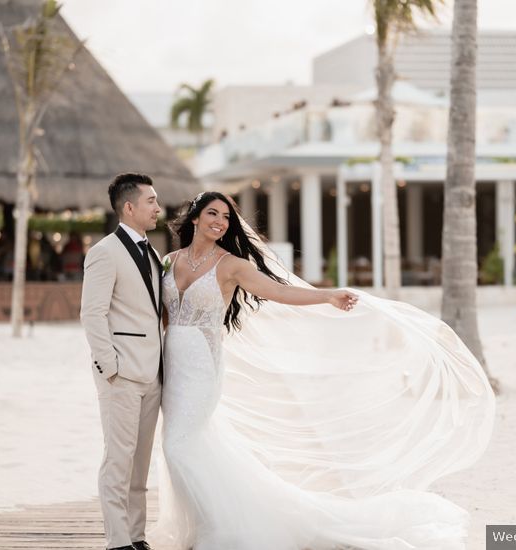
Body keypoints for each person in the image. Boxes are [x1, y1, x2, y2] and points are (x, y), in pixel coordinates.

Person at [151, 191, 496, 549]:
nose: (219, 222)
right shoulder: (168, 261)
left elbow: (278, 292)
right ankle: (207, 520)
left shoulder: (232, 265)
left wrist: (327, 295)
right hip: (172, 365)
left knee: (179, 446)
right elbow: (158, 314)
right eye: (212, 213)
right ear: (194, 217)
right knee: (187, 446)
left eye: (225, 216)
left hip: (204, 368)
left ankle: (221, 528)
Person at [80, 173, 165, 550]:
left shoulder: (154, 253)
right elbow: (91, 314)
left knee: (140, 465)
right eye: (151, 201)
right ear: (129, 207)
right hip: (121, 377)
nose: (158, 208)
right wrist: (109, 368)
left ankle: (137, 536)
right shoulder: (103, 252)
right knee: (118, 461)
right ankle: (117, 542)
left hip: (153, 376)